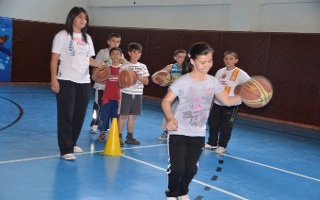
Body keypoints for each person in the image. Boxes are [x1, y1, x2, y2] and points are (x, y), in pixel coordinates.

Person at [162, 42, 242, 200]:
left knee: (191, 169)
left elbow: (227, 100)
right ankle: (171, 193)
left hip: (198, 133)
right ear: (192, 61)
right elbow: (165, 101)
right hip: (178, 131)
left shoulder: (213, 82)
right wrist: (170, 118)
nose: (207, 65)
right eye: (203, 62)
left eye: (210, 61)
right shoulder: (183, 81)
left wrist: (246, 97)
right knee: (177, 169)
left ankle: (183, 192)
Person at [50, 7, 103, 161]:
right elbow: (55, 59)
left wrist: (98, 64)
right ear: (72, 18)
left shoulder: (88, 38)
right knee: (66, 114)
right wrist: (54, 78)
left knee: (79, 115)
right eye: (80, 17)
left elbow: (88, 59)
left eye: (85, 18)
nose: (83, 20)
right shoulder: (62, 35)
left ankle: (72, 143)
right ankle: (65, 149)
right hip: (66, 79)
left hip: (84, 81)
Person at [205, 51, 250, 154]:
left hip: (231, 105)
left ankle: (222, 146)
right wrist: (211, 102)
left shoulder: (241, 74)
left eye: (231, 59)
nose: (228, 61)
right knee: (213, 123)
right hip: (217, 103)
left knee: (226, 126)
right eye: (226, 59)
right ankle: (212, 143)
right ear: (223, 60)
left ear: (236, 60)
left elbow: (250, 87)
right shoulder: (220, 72)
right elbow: (214, 88)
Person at [90, 33, 124, 134]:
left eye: (118, 41)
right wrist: (97, 77)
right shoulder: (102, 52)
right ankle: (95, 124)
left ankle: (107, 126)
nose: (116, 43)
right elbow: (95, 67)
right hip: (101, 85)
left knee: (111, 108)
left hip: (114, 87)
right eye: (113, 41)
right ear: (108, 42)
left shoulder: (120, 54)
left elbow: (124, 69)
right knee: (98, 106)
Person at [118, 42, 149, 146]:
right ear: (129, 53)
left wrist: (137, 77)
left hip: (138, 94)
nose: (137, 54)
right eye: (134, 52)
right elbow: (120, 83)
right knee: (123, 116)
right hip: (126, 93)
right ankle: (118, 137)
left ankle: (129, 137)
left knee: (133, 117)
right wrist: (126, 81)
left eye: (139, 53)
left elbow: (146, 82)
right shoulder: (124, 66)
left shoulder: (143, 66)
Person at [152, 49, 187, 141]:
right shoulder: (171, 66)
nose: (182, 59)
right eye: (179, 57)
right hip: (172, 92)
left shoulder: (188, 68)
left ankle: (180, 132)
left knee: (182, 113)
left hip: (184, 94)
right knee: (169, 112)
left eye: (184, 57)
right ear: (175, 58)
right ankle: (166, 131)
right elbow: (159, 73)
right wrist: (155, 76)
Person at [98, 47, 122, 142]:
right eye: (113, 54)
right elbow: (100, 79)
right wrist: (99, 74)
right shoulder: (107, 68)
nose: (116, 56)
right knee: (104, 116)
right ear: (110, 56)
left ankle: (115, 135)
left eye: (118, 54)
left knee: (116, 117)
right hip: (107, 97)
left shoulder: (123, 69)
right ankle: (102, 133)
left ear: (121, 56)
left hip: (118, 98)